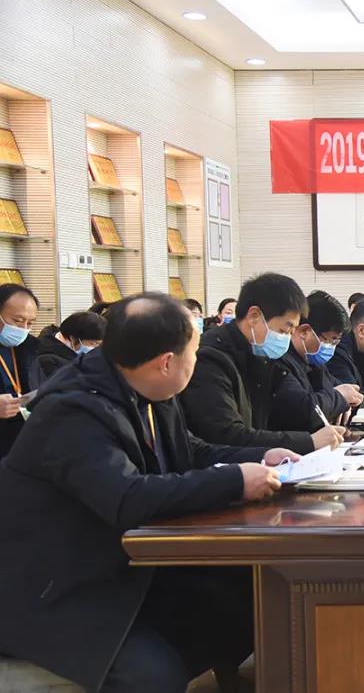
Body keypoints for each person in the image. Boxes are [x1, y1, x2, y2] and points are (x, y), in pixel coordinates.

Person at [0, 293, 296, 693]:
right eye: (194, 352)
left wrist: (261, 457)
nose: (197, 360)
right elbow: (127, 497)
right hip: (58, 588)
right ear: (166, 362)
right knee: (154, 675)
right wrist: (234, 481)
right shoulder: (72, 412)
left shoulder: (145, 388)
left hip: (125, 566)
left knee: (249, 599)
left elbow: (190, 451)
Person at [180, 273, 345, 453]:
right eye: (284, 330)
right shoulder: (211, 358)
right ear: (254, 316)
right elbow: (226, 435)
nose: (287, 339)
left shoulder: (261, 353)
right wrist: (308, 441)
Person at [269, 291, 363, 432]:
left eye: (336, 342)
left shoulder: (314, 363)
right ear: (304, 331)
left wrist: (346, 401)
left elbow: (348, 393)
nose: (331, 347)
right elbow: (303, 412)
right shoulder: (279, 361)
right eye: (330, 340)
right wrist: (340, 398)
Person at [0, 284, 40, 459]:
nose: (23, 328)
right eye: (17, 320)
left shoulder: (31, 346)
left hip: (20, 445)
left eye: (30, 323)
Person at [36, 311, 106, 379]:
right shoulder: (48, 360)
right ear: (73, 338)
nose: (95, 348)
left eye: (99, 344)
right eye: (93, 343)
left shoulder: (75, 355)